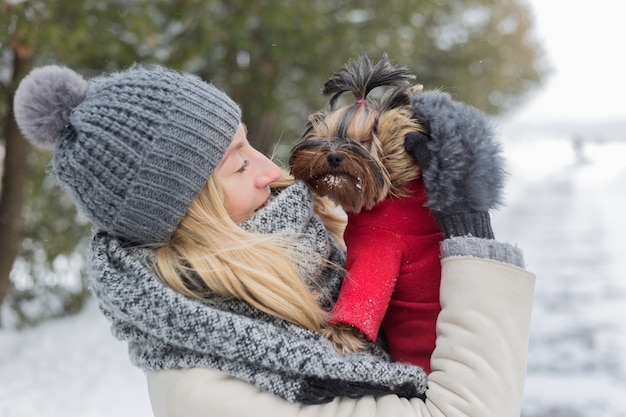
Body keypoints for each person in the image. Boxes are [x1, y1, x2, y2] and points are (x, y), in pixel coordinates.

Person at [14, 63, 535, 417]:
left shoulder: (304, 252)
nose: (270, 171)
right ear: (187, 213)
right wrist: (471, 240)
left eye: (252, 145)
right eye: (239, 163)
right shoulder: (207, 389)